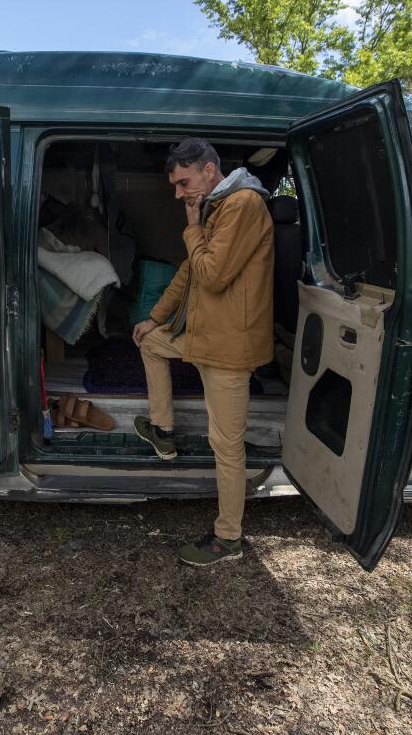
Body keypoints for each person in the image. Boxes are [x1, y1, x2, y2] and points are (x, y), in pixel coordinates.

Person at [132, 138, 274, 566]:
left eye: (182, 183)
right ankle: (163, 431)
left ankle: (228, 538)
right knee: (149, 342)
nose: (179, 194)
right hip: (204, 334)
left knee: (226, 445)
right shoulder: (219, 206)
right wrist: (155, 318)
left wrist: (192, 227)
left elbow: (210, 275)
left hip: (228, 347)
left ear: (209, 171)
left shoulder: (243, 204)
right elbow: (189, 271)